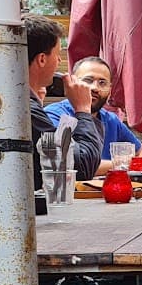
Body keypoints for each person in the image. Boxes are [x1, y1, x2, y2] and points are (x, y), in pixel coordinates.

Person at [24, 15, 102, 183]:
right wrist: (83, 110)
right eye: (58, 54)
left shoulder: (25, 104)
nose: (59, 61)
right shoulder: (26, 109)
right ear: (42, 59)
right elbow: (80, 167)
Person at [47, 57, 139, 171]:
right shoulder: (55, 115)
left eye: (102, 83)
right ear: (71, 83)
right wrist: (123, 164)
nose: (95, 88)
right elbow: (70, 164)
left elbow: (140, 151)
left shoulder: (111, 120)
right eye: (88, 80)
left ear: (110, 90)